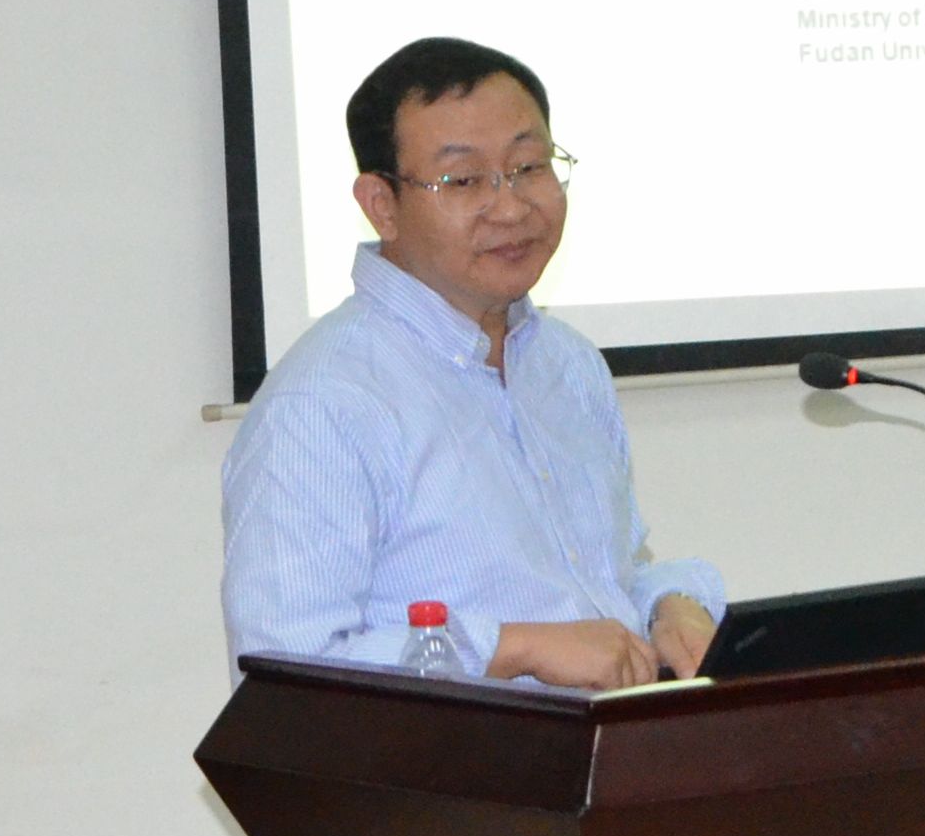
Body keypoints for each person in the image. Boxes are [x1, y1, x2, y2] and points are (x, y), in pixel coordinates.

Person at [221, 36, 724, 689]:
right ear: (381, 205)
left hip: (618, 742)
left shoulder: (566, 365)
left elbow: (598, 577)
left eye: (529, 167)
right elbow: (283, 671)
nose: (511, 207)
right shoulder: (322, 405)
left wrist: (667, 604)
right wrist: (512, 649)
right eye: (462, 181)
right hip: (454, 757)